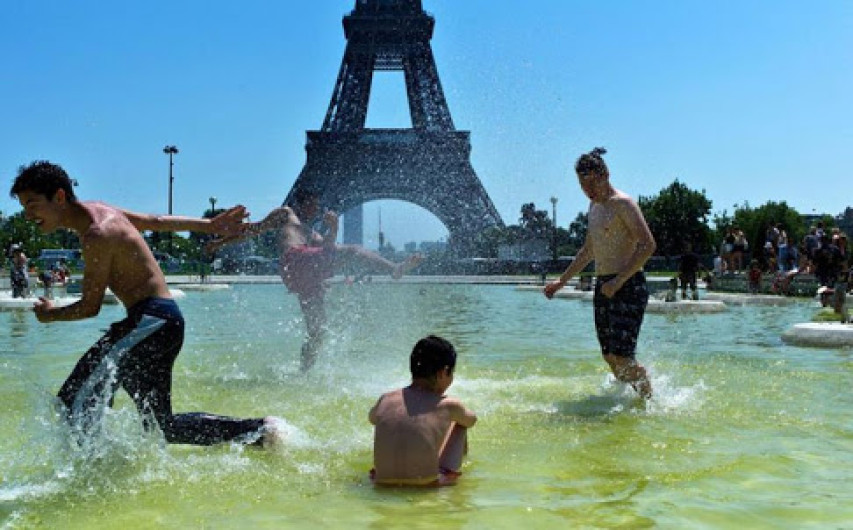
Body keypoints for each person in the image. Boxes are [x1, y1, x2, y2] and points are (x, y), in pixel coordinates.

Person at [10, 160, 283, 447]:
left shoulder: (96, 234)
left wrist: (50, 314)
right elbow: (156, 221)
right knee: (162, 426)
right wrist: (209, 226)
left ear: (59, 196)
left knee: (72, 399)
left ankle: (90, 465)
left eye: (32, 204)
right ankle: (262, 432)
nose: (28, 215)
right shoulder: (103, 211)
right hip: (164, 322)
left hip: (149, 322)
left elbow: (90, 307)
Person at [208, 189, 422, 371]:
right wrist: (220, 243)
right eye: (312, 204)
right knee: (354, 250)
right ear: (302, 203)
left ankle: (303, 373)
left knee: (317, 332)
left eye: (316, 205)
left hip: (306, 276)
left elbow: (328, 250)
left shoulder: (311, 233)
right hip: (296, 259)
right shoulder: (286, 214)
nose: (315, 209)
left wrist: (334, 228)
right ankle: (394, 269)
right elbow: (253, 230)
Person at [543, 147, 656, 399]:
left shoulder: (623, 204)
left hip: (628, 284)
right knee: (609, 357)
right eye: (583, 185)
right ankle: (635, 398)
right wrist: (561, 282)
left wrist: (619, 280)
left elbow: (648, 245)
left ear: (606, 175)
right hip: (604, 285)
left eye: (592, 183)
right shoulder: (593, 207)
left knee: (622, 357)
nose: (588, 190)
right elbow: (587, 251)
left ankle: (649, 403)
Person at [368, 335, 477, 487]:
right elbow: (472, 420)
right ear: (443, 372)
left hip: (381, 483)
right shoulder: (449, 405)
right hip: (427, 485)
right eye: (451, 373)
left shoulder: (385, 399)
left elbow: (372, 418)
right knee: (460, 424)